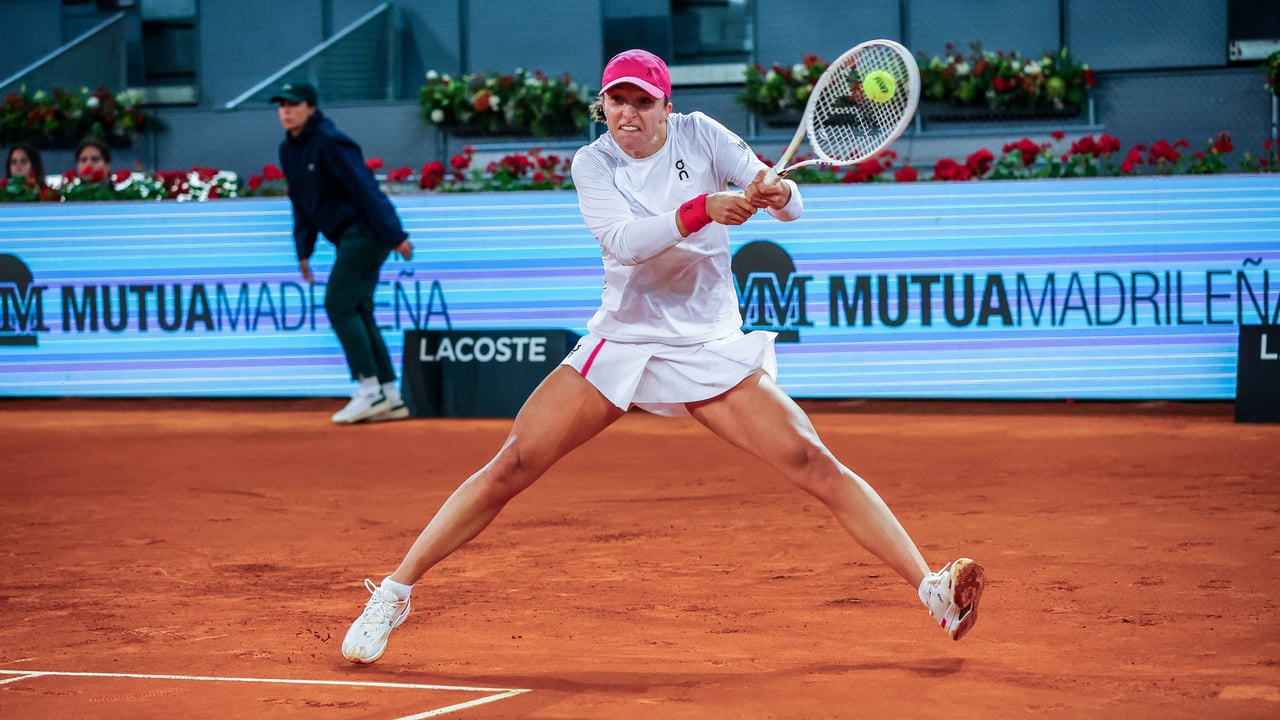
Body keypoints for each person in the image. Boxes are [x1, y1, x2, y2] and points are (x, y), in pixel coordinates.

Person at [340, 49, 985, 664]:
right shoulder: (593, 164)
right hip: (623, 339)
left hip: (706, 343)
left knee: (812, 461)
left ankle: (931, 590)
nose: (628, 113)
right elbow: (624, 243)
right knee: (513, 463)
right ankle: (394, 592)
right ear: (602, 106)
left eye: (642, 102)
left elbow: (793, 207)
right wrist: (703, 208)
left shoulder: (701, 134)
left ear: (666, 107)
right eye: (616, 101)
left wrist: (777, 193)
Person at [269, 81, 414, 424]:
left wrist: (395, 234)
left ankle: (370, 390)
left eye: (293, 104)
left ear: (310, 108)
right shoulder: (288, 150)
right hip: (349, 237)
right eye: (281, 106)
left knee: (338, 304)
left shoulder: (330, 142)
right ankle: (390, 395)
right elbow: (301, 202)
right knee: (359, 309)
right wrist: (303, 249)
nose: (286, 111)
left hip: (366, 233)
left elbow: (365, 188)